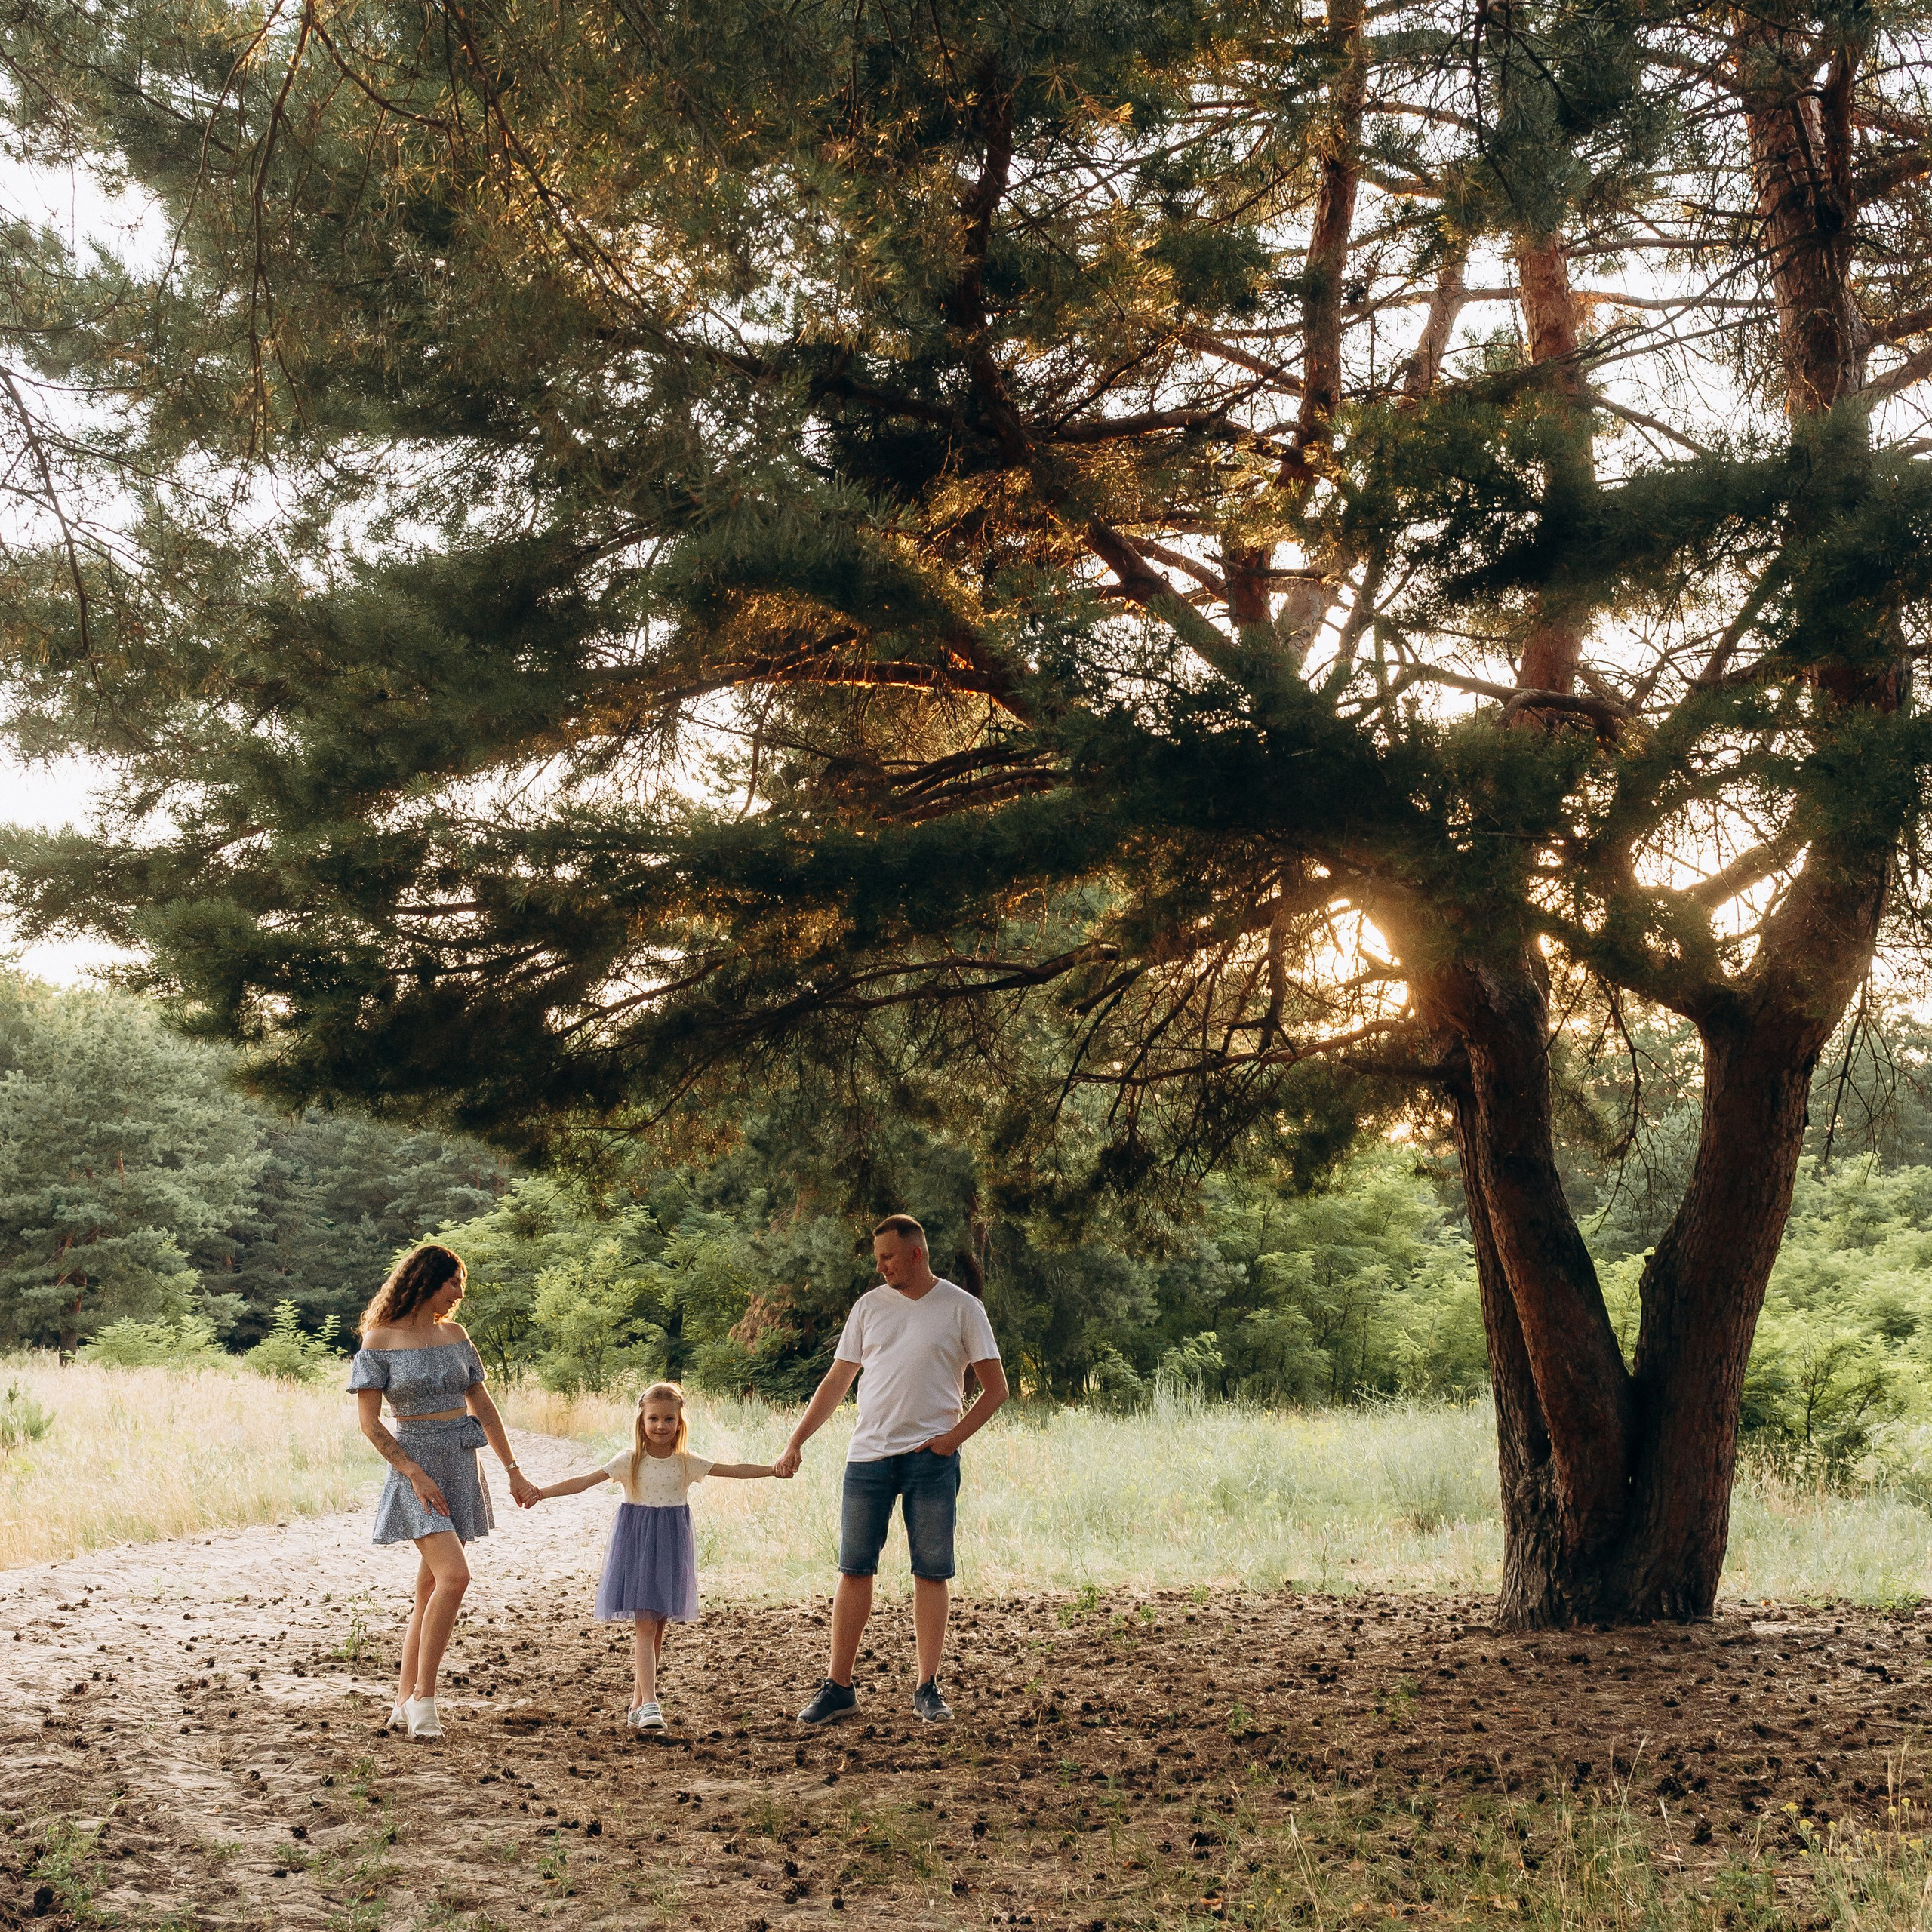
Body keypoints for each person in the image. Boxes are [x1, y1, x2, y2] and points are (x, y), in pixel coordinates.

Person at [776, 1214, 1008, 1726]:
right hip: (868, 1457)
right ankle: (839, 1688)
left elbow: (997, 1389)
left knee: (931, 1570)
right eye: (878, 1258)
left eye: (887, 1257)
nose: (880, 1267)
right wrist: (796, 1441)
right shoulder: (869, 1307)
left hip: (931, 1460)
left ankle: (927, 1687)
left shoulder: (963, 1308)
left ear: (915, 1254)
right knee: (854, 1568)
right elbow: (837, 1380)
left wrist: (951, 1440)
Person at [347, 1243, 540, 1740]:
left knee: (431, 1587)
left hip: (459, 1461)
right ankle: (424, 1699)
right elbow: (370, 1424)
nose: (459, 1293)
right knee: (455, 1577)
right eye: (454, 1282)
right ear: (426, 1281)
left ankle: (402, 1701)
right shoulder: (379, 1340)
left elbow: (484, 1406)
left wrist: (513, 1470)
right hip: (416, 1469)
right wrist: (412, 1471)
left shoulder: (456, 1336)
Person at [526, 1380, 784, 1728]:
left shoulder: (686, 1462)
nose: (661, 1425)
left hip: (672, 1546)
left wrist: (773, 1469)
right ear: (642, 1420)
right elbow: (584, 1481)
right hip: (638, 1546)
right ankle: (650, 1703)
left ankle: (636, 1705)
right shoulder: (629, 1460)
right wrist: (541, 1492)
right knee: (646, 1625)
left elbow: (734, 1470)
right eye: (653, 1419)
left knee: (657, 1625)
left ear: (680, 1422)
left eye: (668, 1419)